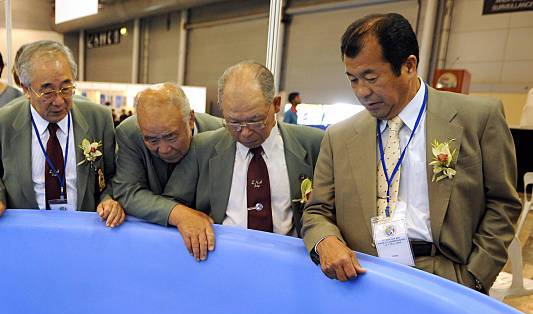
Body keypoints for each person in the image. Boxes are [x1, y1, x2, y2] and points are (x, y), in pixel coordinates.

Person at [302, 13, 521, 293]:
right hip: (362, 275)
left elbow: (503, 203)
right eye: (353, 79)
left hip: (445, 276)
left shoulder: (476, 119)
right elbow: (317, 210)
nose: (362, 91)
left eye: (371, 77)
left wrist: (476, 276)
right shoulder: (339, 136)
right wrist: (325, 240)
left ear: (408, 65)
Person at [162, 62, 323, 261]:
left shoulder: (314, 144)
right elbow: (170, 202)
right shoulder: (202, 148)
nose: (245, 132)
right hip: (221, 261)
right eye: (234, 122)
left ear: (275, 104)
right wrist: (183, 215)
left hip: (291, 264)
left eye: (255, 120)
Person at [0, 40, 124, 227]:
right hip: (27, 232)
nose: (59, 101)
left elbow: (113, 173)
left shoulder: (98, 119)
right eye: (48, 91)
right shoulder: (3, 122)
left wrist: (108, 198)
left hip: (84, 231)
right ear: (26, 89)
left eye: (66, 88)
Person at [113, 82, 222, 225]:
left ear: (190, 119)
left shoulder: (221, 134)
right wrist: (176, 213)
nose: (164, 149)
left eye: (171, 137)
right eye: (151, 140)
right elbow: (127, 192)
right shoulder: (129, 133)